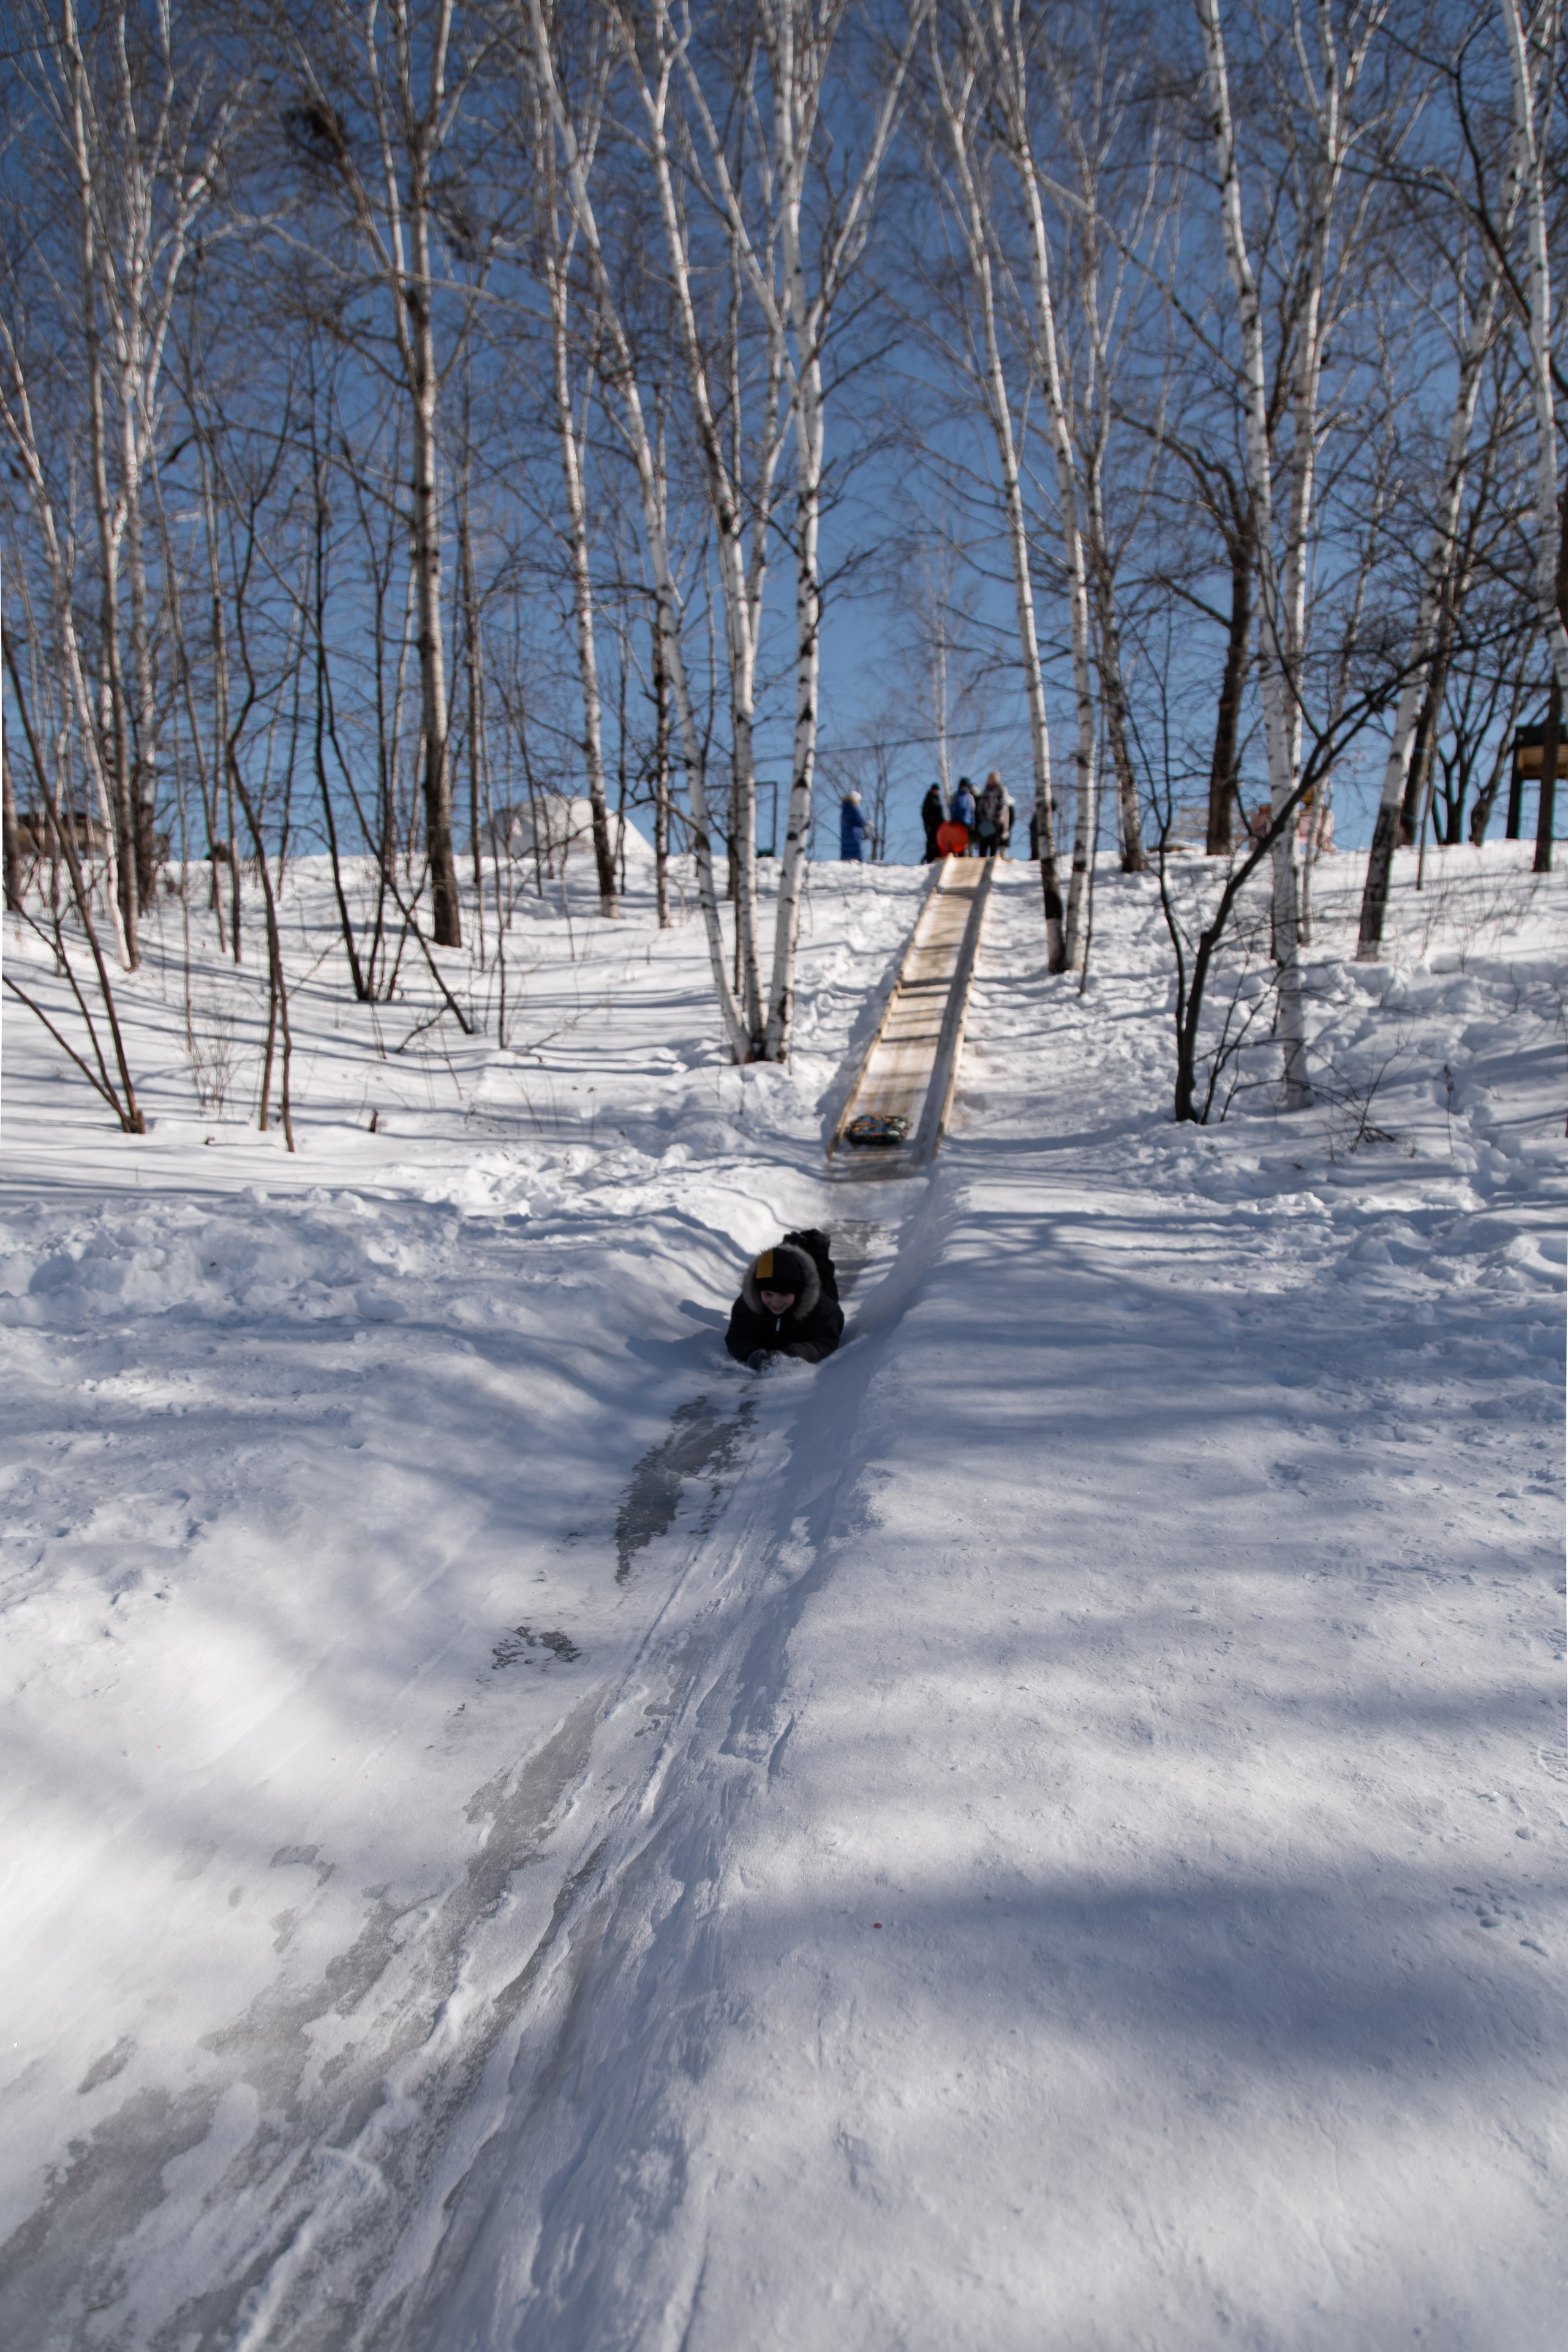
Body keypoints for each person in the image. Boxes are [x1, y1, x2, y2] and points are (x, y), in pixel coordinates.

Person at [725, 1235, 845, 1368]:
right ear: (759, 1293)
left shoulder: (819, 1305)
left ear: (797, 1292)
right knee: (778, 1265)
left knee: (824, 1279)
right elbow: (737, 1338)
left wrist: (793, 1354)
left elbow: (824, 1342)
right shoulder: (747, 1305)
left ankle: (818, 1247)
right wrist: (751, 1353)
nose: (776, 1301)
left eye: (784, 1294)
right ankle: (790, 1246)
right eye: (768, 1294)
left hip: (822, 1304)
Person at [976, 771, 1007, 856]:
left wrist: (998, 818)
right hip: (985, 821)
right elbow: (980, 806)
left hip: (996, 821)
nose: (991, 781)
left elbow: (1003, 804)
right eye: (990, 780)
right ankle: (981, 859)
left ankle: (992, 859)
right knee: (983, 843)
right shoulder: (986, 790)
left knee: (994, 842)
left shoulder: (1000, 789)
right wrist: (982, 817)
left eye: (993, 780)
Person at [840, 791, 869, 861]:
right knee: (856, 857)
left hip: (846, 837)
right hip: (854, 835)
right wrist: (867, 822)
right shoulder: (854, 808)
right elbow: (861, 820)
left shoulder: (844, 810)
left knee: (847, 855)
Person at [921, 780, 944, 862]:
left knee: (938, 842)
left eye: (937, 790)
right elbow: (924, 813)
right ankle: (929, 859)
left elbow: (940, 814)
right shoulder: (928, 800)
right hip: (931, 825)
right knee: (931, 842)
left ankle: (937, 857)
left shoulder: (938, 800)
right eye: (934, 790)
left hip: (938, 825)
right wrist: (927, 824)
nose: (936, 791)